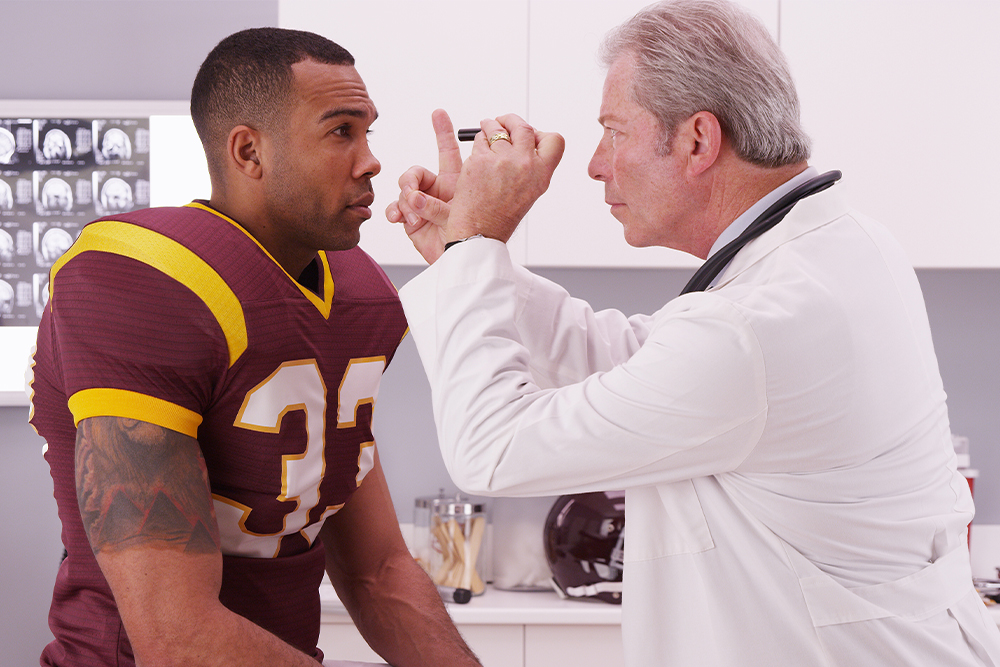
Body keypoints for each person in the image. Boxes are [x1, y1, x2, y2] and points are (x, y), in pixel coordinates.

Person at [386, 1, 1000, 665]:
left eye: (614, 133)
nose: (596, 165)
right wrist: (464, 257)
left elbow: (491, 448)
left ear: (698, 141)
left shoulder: (752, 328)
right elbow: (633, 362)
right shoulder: (845, 248)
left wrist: (478, 243)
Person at [29, 27, 481, 667]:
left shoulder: (360, 291)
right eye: (340, 130)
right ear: (248, 151)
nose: (371, 160)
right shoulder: (140, 279)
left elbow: (378, 570)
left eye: (368, 132)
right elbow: (176, 638)